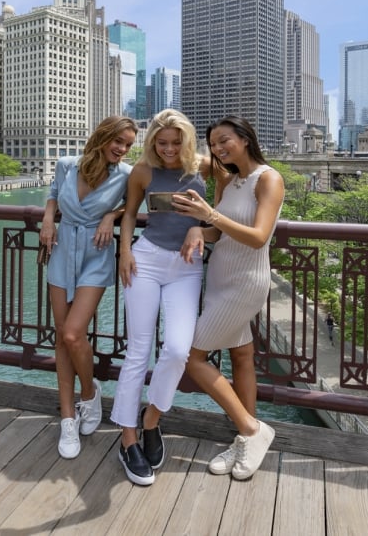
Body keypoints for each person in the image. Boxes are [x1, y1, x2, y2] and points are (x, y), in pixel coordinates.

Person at [177, 115, 285, 481]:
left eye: (225, 140)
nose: (220, 148)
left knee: (191, 357)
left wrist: (208, 215)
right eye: (214, 144)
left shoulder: (267, 178)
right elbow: (219, 234)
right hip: (220, 278)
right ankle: (245, 437)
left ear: (244, 137)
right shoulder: (231, 180)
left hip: (245, 282)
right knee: (241, 355)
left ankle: (255, 431)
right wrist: (198, 226)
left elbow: (258, 236)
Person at [110, 109, 215, 486]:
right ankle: (128, 437)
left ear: (187, 140)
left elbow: (228, 206)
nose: (169, 149)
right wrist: (125, 251)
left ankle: (152, 420)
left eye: (176, 142)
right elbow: (129, 214)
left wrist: (201, 228)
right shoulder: (142, 170)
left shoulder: (206, 166)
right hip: (147, 260)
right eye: (162, 142)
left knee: (175, 350)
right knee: (138, 350)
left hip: (187, 267)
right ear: (152, 140)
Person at [39, 115, 137, 460]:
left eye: (127, 145)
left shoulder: (126, 174)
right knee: (60, 335)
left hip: (96, 255)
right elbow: (52, 195)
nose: (122, 150)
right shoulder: (67, 165)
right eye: (118, 142)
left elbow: (139, 207)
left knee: (72, 333)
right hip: (61, 249)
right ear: (102, 136)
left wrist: (112, 215)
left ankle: (88, 392)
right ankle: (67, 417)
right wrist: (49, 219)